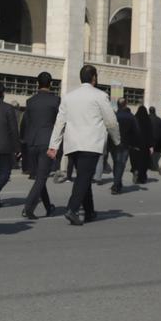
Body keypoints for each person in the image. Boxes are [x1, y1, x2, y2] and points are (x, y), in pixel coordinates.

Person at [47, 65, 120, 226]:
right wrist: (117, 140)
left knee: (83, 177)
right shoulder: (100, 96)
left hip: (73, 144)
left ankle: (90, 212)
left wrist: (54, 145)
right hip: (91, 144)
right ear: (94, 77)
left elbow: (60, 122)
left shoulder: (68, 97)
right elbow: (111, 121)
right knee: (84, 178)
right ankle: (72, 209)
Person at [20, 71, 60, 219]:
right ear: (51, 83)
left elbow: (26, 123)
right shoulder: (56, 101)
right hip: (47, 142)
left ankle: (48, 206)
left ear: (38, 83)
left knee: (39, 176)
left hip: (32, 142)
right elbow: (60, 122)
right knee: (42, 178)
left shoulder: (30, 101)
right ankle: (28, 208)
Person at [110, 99, 136, 194]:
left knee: (116, 164)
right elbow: (136, 132)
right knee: (121, 164)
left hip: (113, 144)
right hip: (125, 144)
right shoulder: (131, 117)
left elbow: (109, 129)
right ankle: (116, 185)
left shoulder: (113, 116)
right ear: (125, 105)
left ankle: (117, 183)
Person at [131, 105, 154, 184]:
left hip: (135, 144)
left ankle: (135, 171)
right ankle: (142, 177)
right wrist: (151, 145)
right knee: (144, 161)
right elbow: (150, 133)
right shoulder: (148, 120)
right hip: (145, 145)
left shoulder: (134, 119)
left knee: (135, 160)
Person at [148, 106, 161, 173]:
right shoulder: (158, 119)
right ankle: (154, 166)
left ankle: (149, 165)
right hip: (157, 139)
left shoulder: (146, 118)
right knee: (156, 154)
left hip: (148, 139)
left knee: (149, 153)